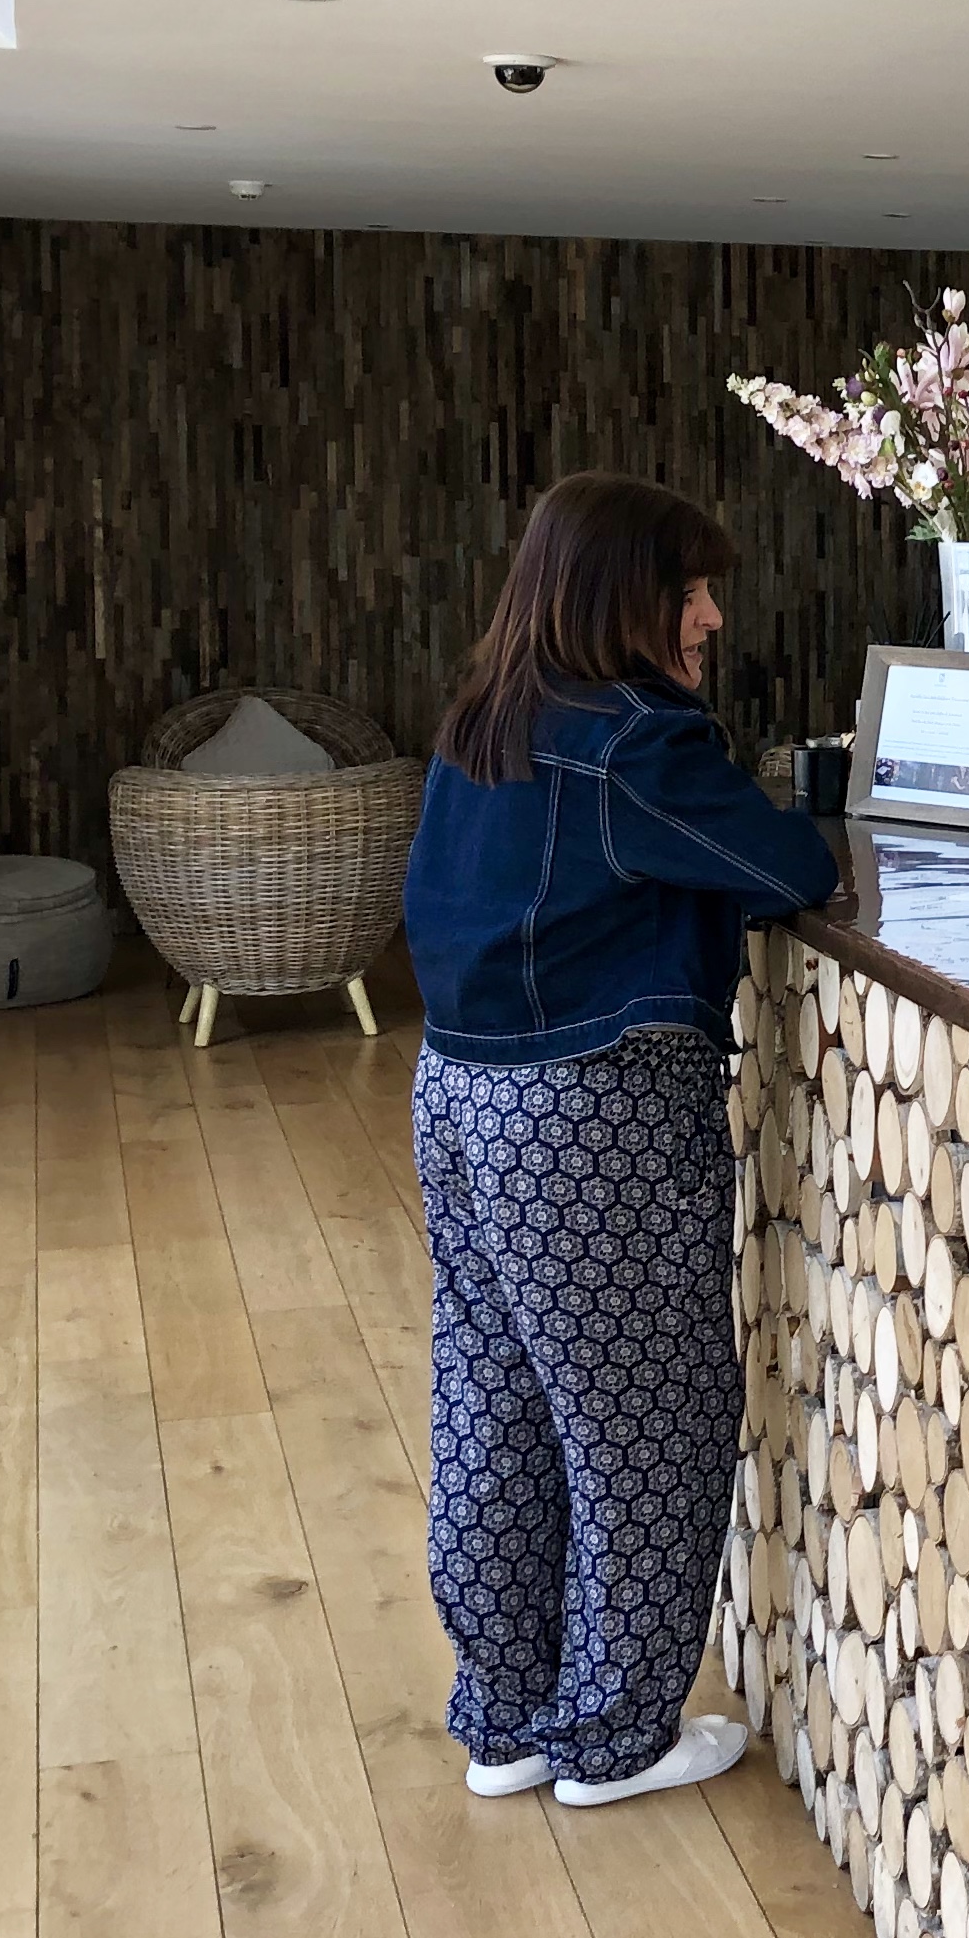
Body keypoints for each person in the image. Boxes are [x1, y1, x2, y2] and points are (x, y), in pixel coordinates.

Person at [402, 472, 839, 1808]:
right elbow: (791, 871)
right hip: (588, 1114)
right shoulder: (633, 742)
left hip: (458, 1091)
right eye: (689, 591)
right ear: (620, 597)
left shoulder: (486, 720)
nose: (710, 618)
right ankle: (614, 1740)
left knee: (497, 1404)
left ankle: (508, 1719)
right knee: (648, 1421)